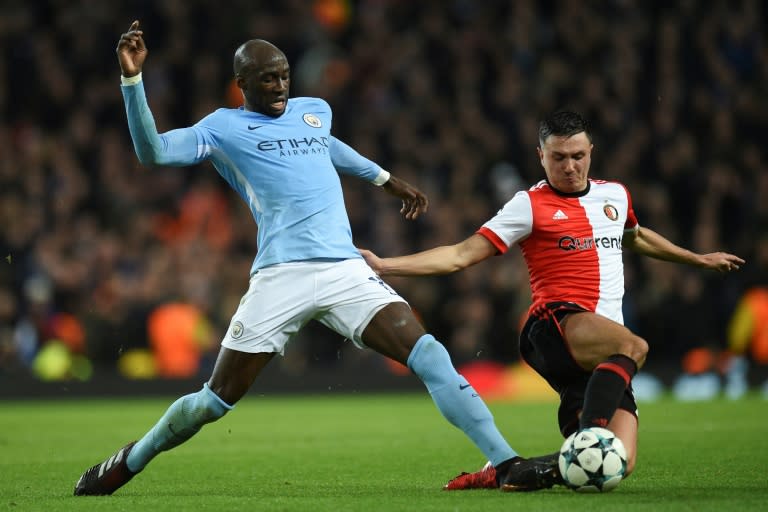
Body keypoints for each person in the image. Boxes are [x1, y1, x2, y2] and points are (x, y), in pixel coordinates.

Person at [73, 21, 559, 496]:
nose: (281, 84)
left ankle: (506, 463)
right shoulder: (222, 127)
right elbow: (153, 153)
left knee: (429, 354)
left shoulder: (313, 111)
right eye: (268, 77)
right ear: (242, 84)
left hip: (344, 269)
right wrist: (132, 81)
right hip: (280, 275)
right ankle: (132, 459)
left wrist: (385, 179)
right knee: (214, 402)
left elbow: (326, 147)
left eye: (284, 74)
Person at [361, 110, 746, 490]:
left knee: (616, 462)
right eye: (559, 157)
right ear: (540, 156)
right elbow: (462, 254)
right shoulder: (528, 205)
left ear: (591, 152)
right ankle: (589, 433)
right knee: (634, 346)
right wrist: (385, 265)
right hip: (554, 325)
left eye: (578, 156)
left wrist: (696, 258)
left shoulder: (615, 195)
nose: (569, 166)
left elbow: (636, 236)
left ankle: (508, 472)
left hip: (604, 350)